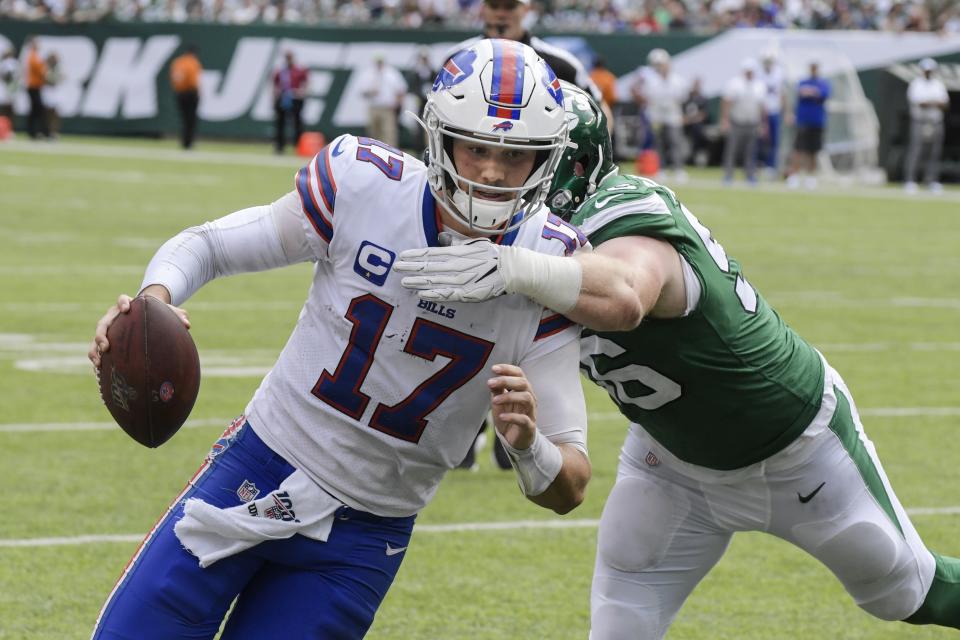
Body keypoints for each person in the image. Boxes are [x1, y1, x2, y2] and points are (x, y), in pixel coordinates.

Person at [395, 83, 960, 639]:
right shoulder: (523, 245)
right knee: (620, 625)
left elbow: (625, 296)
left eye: (519, 157)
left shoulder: (620, 211)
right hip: (670, 463)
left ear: (564, 165)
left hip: (798, 446)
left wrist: (516, 268)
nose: (494, 176)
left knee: (904, 590)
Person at [87, 39, 591, 639]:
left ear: (545, 158)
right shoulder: (365, 185)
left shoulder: (550, 262)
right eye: (477, 145)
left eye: (515, 154)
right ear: (439, 137)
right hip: (259, 464)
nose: (490, 169)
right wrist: (152, 304)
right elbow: (209, 245)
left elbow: (570, 484)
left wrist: (529, 444)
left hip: (363, 538)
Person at [639, 48, 689, 183]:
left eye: (662, 64)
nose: (660, 67)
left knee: (675, 142)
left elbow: (682, 98)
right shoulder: (650, 80)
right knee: (658, 143)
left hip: (673, 115)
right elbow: (646, 97)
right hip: (656, 116)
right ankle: (660, 169)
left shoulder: (678, 80)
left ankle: (678, 170)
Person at [903, 57, 949, 194]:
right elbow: (919, 103)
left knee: (934, 152)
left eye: (930, 70)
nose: (928, 72)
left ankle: (931, 180)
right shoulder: (916, 84)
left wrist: (930, 103)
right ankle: (910, 180)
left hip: (936, 122)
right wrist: (935, 103)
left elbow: (945, 104)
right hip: (920, 121)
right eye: (926, 70)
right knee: (916, 150)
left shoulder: (938, 84)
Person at [720, 57, 767, 185]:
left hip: (752, 122)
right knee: (732, 149)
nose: (749, 73)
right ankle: (728, 175)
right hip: (737, 121)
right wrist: (725, 120)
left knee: (750, 151)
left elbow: (761, 107)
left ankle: (750, 175)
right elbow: (727, 102)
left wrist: (763, 123)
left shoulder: (759, 85)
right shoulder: (735, 84)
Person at [786, 60, 830, 190]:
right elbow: (801, 92)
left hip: (817, 122)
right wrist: (812, 92)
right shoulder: (803, 82)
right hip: (803, 121)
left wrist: (812, 92)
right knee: (798, 150)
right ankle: (793, 176)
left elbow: (822, 94)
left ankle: (811, 178)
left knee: (813, 151)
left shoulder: (823, 83)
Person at [359, 54, 407, 149]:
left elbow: (401, 90)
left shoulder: (392, 73)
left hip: (387, 108)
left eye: (380, 61)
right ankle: (373, 155)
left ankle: (391, 156)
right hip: (373, 108)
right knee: (373, 133)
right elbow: (362, 91)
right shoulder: (368, 74)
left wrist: (398, 105)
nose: (379, 64)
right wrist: (370, 92)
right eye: (377, 62)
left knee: (389, 134)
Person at [758, 48, 787, 179]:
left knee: (774, 141)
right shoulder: (759, 74)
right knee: (759, 140)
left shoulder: (779, 73)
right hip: (759, 112)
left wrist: (786, 111)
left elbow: (782, 93)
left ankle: (771, 167)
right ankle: (757, 165)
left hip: (774, 111)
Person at [272, 50, 308, 154]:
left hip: (295, 98)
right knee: (280, 123)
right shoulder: (280, 71)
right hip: (283, 98)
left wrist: (301, 92)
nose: (288, 59)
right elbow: (275, 85)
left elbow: (305, 84)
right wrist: (275, 98)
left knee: (297, 123)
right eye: (287, 57)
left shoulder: (299, 70)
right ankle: (279, 147)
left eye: (290, 57)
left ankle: (298, 146)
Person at [169, 44, 202, 150]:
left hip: (179, 93)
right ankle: (188, 143)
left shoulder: (178, 62)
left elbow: (173, 78)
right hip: (190, 93)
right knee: (191, 120)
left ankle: (184, 141)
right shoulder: (193, 63)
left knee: (184, 119)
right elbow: (193, 82)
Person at [682, 76, 709, 167]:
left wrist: (692, 120)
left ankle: (696, 155)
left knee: (699, 131)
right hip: (686, 125)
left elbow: (703, 115)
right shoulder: (687, 98)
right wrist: (686, 120)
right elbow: (682, 113)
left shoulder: (703, 99)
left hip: (696, 126)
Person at [24, 38, 48, 140]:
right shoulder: (32, 56)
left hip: (36, 86)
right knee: (36, 110)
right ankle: (33, 132)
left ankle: (35, 132)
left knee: (36, 110)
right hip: (33, 86)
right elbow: (41, 71)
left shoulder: (35, 56)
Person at [41, 52, 62, 139]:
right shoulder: (45, 68)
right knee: (47, 113)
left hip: (55, 92)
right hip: (47, 91)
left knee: (55, 113)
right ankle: (46, 131)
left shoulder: (59, 68)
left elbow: (60, 78)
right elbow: (45, 78)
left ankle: (54, 132)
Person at [0, 47, 19, 126]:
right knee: (4, 107)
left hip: (12, 88)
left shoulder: (15, 63)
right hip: (4, 88)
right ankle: (3, 126)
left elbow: (17, 76)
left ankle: (9, 126)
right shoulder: (3, 63)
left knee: (11, 108)